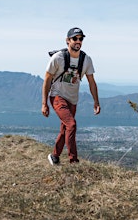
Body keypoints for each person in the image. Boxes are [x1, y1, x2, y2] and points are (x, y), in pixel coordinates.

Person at [41, 27, 101, 165]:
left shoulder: (86, 60)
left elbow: (92, 82)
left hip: (72, 100)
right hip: (57, 96)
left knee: (65, 128)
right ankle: (73, 161)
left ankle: (54, 156)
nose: (78, 41)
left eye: (81, 39)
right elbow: (47, 80)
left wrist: (96, 102)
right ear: (68, 41)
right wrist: (44, 104)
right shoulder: (58, 58)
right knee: (71, 124)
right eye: (75, 38)